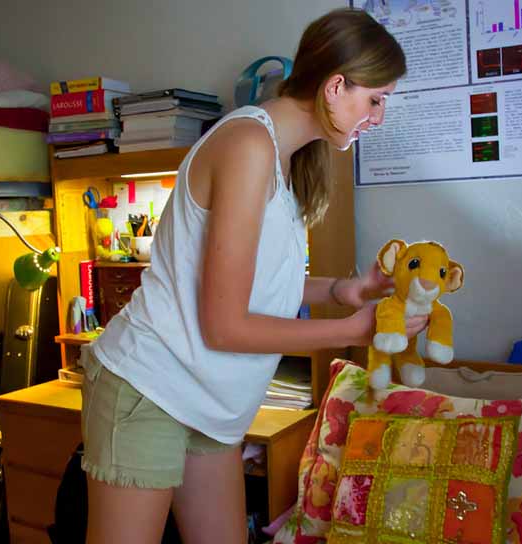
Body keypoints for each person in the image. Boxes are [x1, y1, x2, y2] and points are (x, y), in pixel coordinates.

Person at [83, 7, 420, 543]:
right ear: (335, 87)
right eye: (376, 99)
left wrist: (341, 290)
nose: (377, 117)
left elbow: (257, 283)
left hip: (208, 402)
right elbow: (227, 325)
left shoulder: (284, 158)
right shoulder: (248, 147)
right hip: (149, 386)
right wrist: (354, 329)